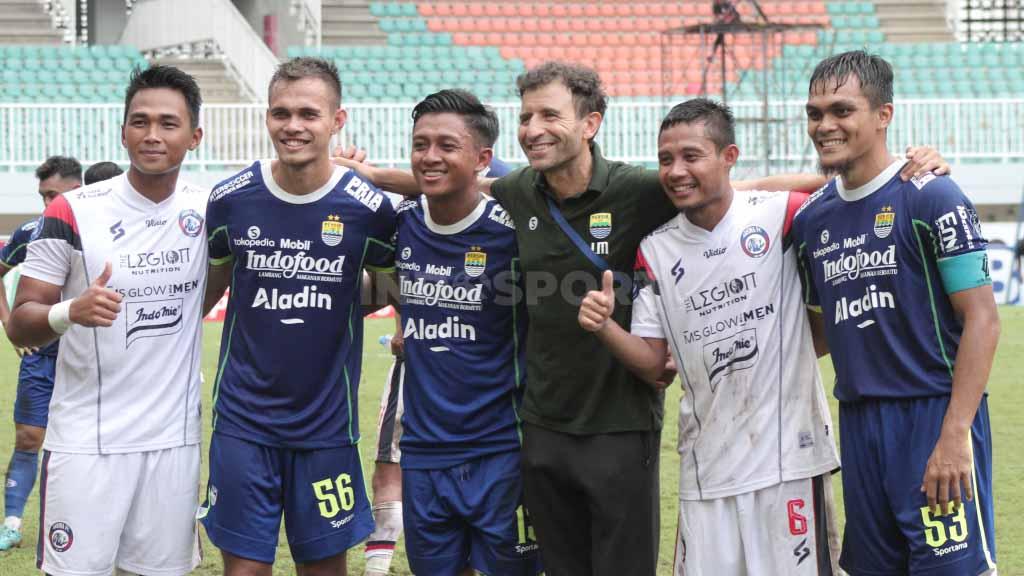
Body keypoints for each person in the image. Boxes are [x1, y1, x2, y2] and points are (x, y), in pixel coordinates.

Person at [332, 61, 950, 575]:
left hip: (623, 426)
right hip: (540, 428)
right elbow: (461, 180)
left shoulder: (641, 188)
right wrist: (366, 175)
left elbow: (741, 184)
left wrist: (906, 165)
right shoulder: (520, 193)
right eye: (526, 117)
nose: (534, 128)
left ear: (591, 123)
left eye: (550, 115)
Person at [578, 98, 841, 574]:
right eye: (665, 159)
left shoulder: (782, 214)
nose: (676, 171)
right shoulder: (654, 251)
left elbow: (848, 185)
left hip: (790, 465)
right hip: (707, 468)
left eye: (691, 156)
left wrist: (917, 163)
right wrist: (605, 329)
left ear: (729, 156)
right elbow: (656, 367)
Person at [792, 51, 999, 575]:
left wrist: (955, 436)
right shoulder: (814, 219)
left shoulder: (934, 197)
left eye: (842, 110)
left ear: (883, 114)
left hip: (932, 416)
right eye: (815, 113)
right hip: (860, 424)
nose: (825, 125)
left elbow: (982, 319)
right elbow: (822, 330)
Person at [5, 65, 206, 575]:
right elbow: (21, 321)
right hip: (85, 444)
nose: (152, 135)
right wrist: (70, 311)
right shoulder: (73, 210)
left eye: (168, 123)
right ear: (122, 132)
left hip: (173, 444)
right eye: (139, 122)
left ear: (194, 136)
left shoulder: (212, 210)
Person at [199, 57, 396, 575]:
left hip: (326, 430)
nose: (293, 126)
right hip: (243, 424)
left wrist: (339, 292)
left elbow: (396, 287)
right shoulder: (230, 200)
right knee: (244, 571)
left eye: (309, 113)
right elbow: (204, 294)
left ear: (338, 120)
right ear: (267, 117)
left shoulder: (369, 208)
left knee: (325, 570)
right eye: (280, 113)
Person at [363, 155, 513, 576]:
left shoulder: (504, 183)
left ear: (481, 153)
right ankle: (378, 563)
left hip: (489, 401)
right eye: (424, 144)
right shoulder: (411, 213)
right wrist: (401, 319)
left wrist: (376, 175)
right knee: (390, 468)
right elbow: (406, 278)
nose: (434, 156)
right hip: (418, 375)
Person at [0, 156, 82, 551]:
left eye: (53, 194)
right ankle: (13, 523)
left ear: (77, 190)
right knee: (29, 436)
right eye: (43, 196)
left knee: (83, 441)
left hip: (89, 357)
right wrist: (10, 323)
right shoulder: (30, 232)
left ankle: (77, 519)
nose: (47, 204)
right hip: (41, 353)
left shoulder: (98, 226)